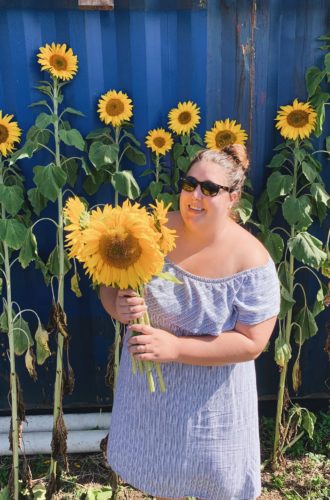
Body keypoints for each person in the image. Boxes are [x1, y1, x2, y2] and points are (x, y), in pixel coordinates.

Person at [100, 145, 280, 500]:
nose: (195, 196)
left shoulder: (252, 260)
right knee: (162, 480)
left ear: (233, 198)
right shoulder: (149, 231)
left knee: (217, 486)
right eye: (189, 184)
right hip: (153, 399)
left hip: (213, 406)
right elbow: (109, 280)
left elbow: (252, 342)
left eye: (210, 189)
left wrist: (176, 347)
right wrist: (115, 306)